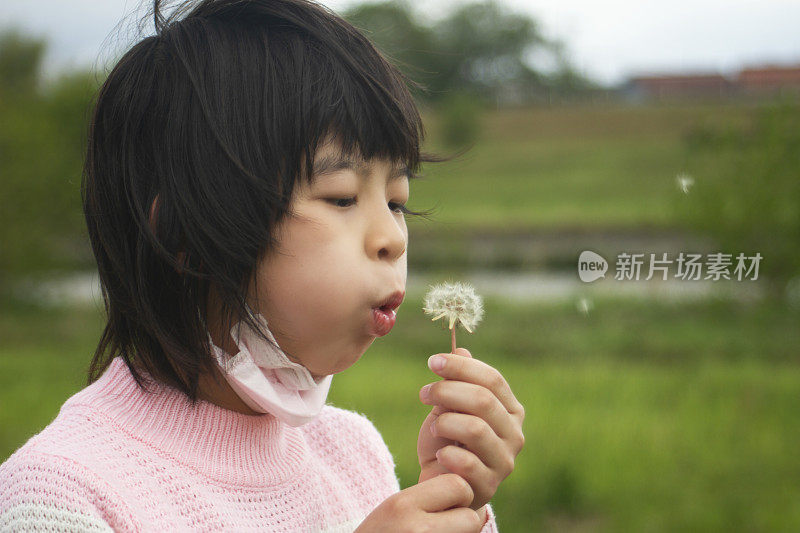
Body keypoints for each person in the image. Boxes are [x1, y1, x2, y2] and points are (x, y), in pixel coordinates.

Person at [0, 0, 525, 530]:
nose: (391, 237)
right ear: (184, 235)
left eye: (396, 201)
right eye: (341, 197)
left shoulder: (351, 451)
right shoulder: (61, 495)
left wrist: (456, 497)